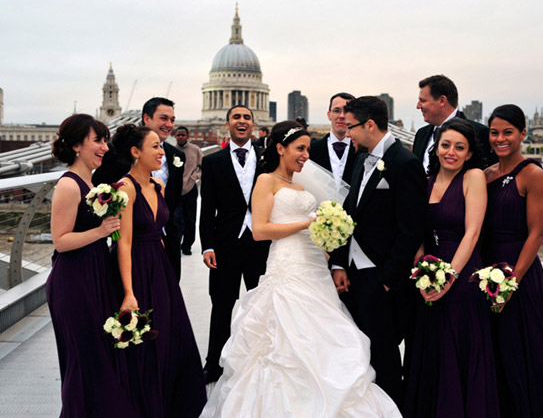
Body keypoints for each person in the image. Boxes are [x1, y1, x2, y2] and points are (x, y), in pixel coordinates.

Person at [205, 121, 401, 417]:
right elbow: (260, 230)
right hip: (286, 266)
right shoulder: (266, 181)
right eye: (300, 149)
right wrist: (307, 223)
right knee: (282, 339)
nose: (306, 155)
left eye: (308, 149)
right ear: (280, 148)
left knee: (325, 333)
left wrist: (327, 236)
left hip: (314, 267)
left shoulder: (301, 185)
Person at [484, 104, 543, 417]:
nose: (500, 139)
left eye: (508, 132)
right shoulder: (485, 175)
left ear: (523, 134)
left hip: (518, 276)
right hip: (487, 273)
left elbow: (536, 235)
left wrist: (511, 282)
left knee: (527, 352)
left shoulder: (533, 175)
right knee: (495, 353)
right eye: (494, 132)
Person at [330, 96, 427, 407]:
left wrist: (388, 279)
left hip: (383, 278)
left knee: (385, 357)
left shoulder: (405, 163)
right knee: (359, 350)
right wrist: (339, 264)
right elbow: (349, 216)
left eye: (351, 127)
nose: (347, 134)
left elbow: (411, 229)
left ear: (369, 124)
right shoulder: (361, 160)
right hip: (354, 275)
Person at [403, 119, 499, 417]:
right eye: (446, 145)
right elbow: (417, 230)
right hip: (428, 275)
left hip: (462, 276)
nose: (452, 152)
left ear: (470, 153)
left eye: (460, 147)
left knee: (456, 349)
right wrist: (420, 262)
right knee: (429, 348)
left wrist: (449, 278)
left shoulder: (473, 178)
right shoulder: (427, 181)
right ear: (437, 148)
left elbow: (472, 233)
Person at [47, 114, 141, 417]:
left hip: (96, 274)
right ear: (76, 145)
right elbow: (60, 241)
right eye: (97, 140)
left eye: (104, 140)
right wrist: (101, 230)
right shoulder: (69, 185)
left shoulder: (93, 182)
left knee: (99, 356)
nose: (104, 147)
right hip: (73, 281)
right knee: (82, 359)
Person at [113, 124, 206, 417]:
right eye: (154, 146)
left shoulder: (159, 186)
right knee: (142, 340)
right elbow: (123, 242)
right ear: (135, 152)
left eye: (160, 146)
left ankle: (170, 403)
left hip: (160, 265)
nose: (161, 152)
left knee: (168, 335)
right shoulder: (124, 188)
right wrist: (128, 292)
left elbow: (162, 229)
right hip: (135, 267)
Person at [199, 105, 270, 384]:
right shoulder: (213, 162)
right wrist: (207, 246)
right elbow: (207, 210)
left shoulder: (267, 159)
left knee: (261, 305)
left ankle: (260, 361)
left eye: (247, 118)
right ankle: (213, 363)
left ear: (253, 124)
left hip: (260, 244)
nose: (242, 122)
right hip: (225, 245)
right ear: (227, 124)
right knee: (221, 305)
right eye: (236, 118)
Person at [413, 75, 495, 173]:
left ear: (442, 101)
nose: (418, 106)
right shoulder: (421, 134)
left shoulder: (479, 133)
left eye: (423, 101)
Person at [142, 97, 186, 281]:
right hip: (137, 240)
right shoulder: (122, 152)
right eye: (163, 118)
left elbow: (174, 198)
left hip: (169, 236)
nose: (169, 124)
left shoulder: (177, 155)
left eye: (172, 120)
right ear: (146, 119)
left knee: (170, 291)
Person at [309, 92, 357, 186]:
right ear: (329, 115)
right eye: (337, 110)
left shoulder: (364, 152)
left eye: (347, 111)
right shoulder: (312, 149)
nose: (342, 116)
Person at [174, 126, 203, 256]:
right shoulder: (171, 150)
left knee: (190, 219)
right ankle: (176, 243)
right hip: (176, 189)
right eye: (178, 135)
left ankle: (187, 245)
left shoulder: (195, 150)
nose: (180, 137)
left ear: (188, 136)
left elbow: (203, 166)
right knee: (176, 218)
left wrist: (195, 177)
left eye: (183, 135)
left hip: (191, 188)